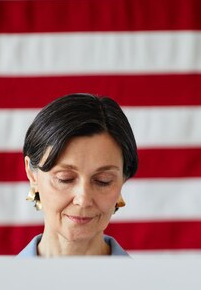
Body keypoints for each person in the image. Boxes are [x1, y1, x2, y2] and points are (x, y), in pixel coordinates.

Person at [17, 93, 138, 257]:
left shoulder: (151, 283)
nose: (83, 200)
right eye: (65, 179)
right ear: (32, 174)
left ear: (123, 179)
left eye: (103, 181)